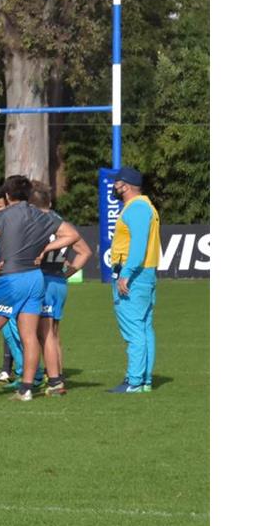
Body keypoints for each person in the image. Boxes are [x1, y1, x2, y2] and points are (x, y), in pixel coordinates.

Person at [0, 176, 80, 402]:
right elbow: (72, 235)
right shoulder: (42, 216)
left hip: (10, 279)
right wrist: (45, 248)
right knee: (29, 335)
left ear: (6, 196)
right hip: (35, 279)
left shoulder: (2, 216)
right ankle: (25, 389)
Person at [29, 182, 93, 396]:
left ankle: (54, 380)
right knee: (53, 333)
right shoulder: (61, 223)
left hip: (43, 280)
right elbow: (85, 252)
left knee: (44, 334)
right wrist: (67, 274)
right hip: (58, 281)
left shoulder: (36, 222)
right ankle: (56, 375)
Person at [107, 166, 160, 394]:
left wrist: (126, 273)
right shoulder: (144, 206)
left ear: (125, 185)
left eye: (117, 183)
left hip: (135, 276)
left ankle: (134, 381)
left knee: (134, 330)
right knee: (144, 327)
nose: (114, 187)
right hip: (145, 274)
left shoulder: (136, 208)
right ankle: (144, 380)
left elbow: (138, 244)